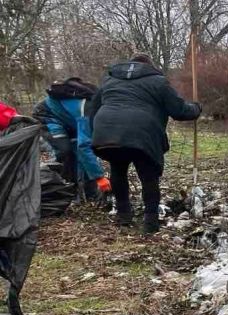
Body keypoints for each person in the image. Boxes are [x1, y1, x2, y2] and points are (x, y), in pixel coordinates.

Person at [88, 54, 201, 233]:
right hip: (142, 133)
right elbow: (179, 111)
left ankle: (123, 216)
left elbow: (92, 109)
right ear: (149, 66)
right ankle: (150, 222)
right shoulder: (158, 81)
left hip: (107, 131)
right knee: (148, 177)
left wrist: (97, 131)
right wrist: (196, 108)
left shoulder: (109, 80)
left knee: (118, 170)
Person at [32, 78, 110, 199]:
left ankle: (91, 194)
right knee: (66, 152)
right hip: (48, 115)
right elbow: (84, 147)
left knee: (80, 154)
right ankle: (66, 192)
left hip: (70, 119)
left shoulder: (100, 108)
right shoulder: (87, 110)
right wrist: (100, 177)